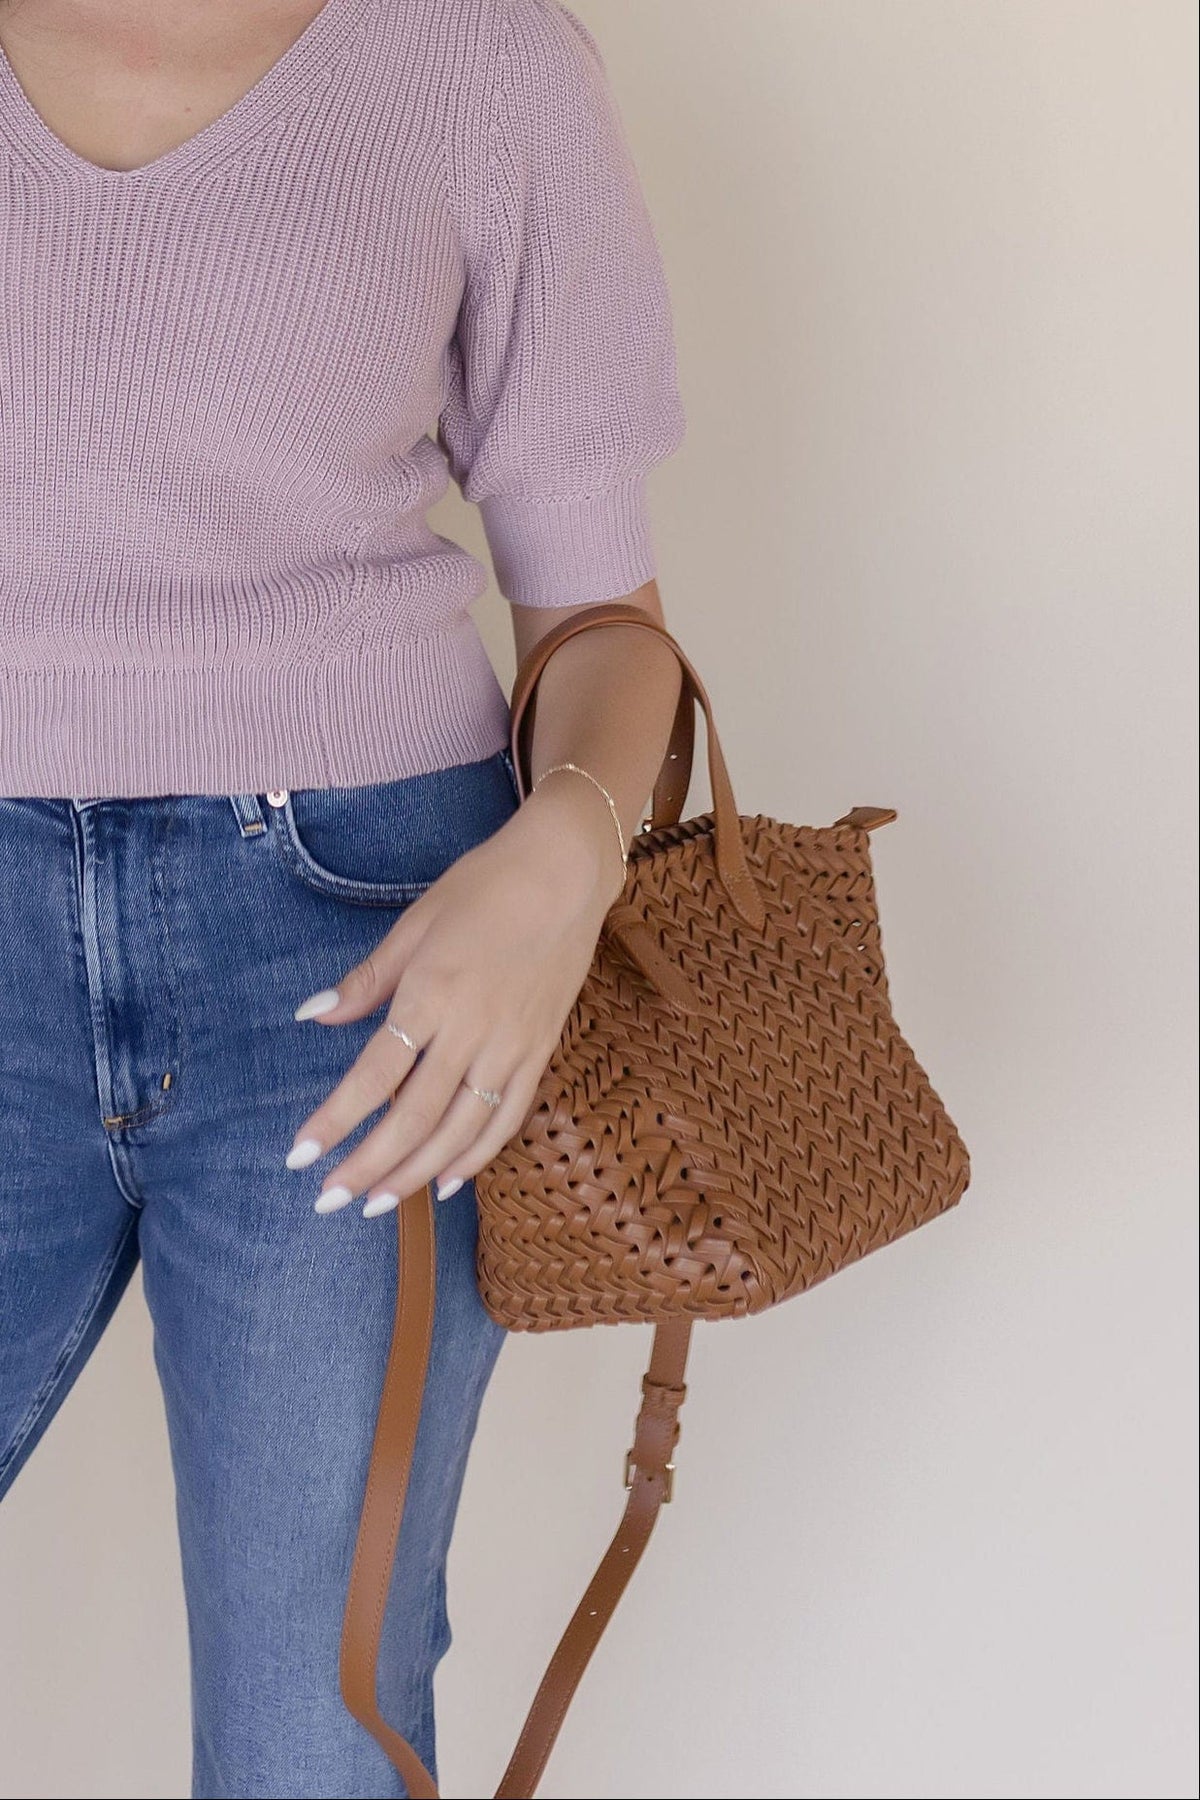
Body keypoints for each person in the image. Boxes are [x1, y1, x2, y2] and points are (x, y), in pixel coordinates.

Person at [0, 2, 686, 1794]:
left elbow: (604, 625)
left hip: (366, 954)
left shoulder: (478, 64)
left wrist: (563, 857)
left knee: (316, 1720)